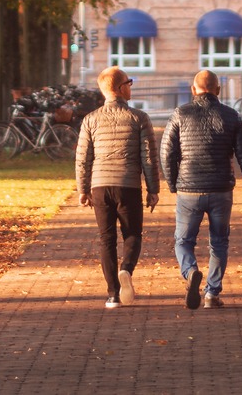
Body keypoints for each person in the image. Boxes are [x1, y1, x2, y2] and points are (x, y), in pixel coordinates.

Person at [161, 69, 242, 309]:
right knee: (219, 242)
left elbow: (167, 152)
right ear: (218, 90)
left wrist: (173, 182)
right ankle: (211, 294)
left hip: (189, 189)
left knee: (183, 240)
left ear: (193, 90)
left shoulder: (180, 114)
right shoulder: (231, 116)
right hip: (221, 189)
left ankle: (190, 272)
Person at [75, 66, 160, 309]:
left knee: (106, 239)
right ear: (121, 88)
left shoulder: (90, 119)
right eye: (129, 83)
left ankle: (112, 294)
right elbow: (149, 157)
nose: (131, 87)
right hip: (128, 185)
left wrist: (83, 188)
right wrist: (153, 189)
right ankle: (126, 269)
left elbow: (83, 158)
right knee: (132, 234)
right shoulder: (139, 118)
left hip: (100, 185)